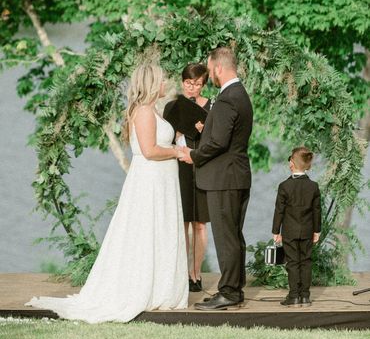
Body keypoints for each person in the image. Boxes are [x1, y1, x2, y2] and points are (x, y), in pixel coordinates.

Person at [26, 64, 188, 323]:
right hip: (152, 180)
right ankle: (146, 287)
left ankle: (160, 285)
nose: (164, 84)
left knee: (157, 231)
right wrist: (178, 152)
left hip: (160, 180)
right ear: (151, 84)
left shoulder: (149, 110)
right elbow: (149, 151)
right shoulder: (145, 111)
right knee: (149, 231)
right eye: (161, 80)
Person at [180, 47, 253, 310]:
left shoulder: (227, 99)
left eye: (210, 70)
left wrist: (194, 155)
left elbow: (218, 142)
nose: (209, 75)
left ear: (219, 68)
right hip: (236, 174)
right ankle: (234, 288)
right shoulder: (239, 94)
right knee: (234, 235)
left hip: (224, 178)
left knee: (226, 237)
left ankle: (230, 292)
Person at [163, 63, 211, 292]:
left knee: (200, 224)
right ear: (183, 82)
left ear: (203, 85)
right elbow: (163, 141)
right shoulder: (172, 107)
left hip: (202, 167)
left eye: (198, 84)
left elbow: (218, 142)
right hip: (179, 168)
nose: (193, 88)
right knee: (182, 223)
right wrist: (178, 132)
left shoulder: (211, 107)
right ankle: (181, 272)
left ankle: (196, 273)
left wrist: (205, 131)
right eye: (189, 83)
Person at [272, 147, 321, 307]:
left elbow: (279, 210)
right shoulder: (313, 186)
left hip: (290, 231)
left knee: (292, 263)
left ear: (291, 163)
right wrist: (317, 230)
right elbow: (316, 210)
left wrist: (275, 231)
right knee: (306, 261)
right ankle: (305, 297)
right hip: (307, 231)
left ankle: (294, 297)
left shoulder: (284, 186)